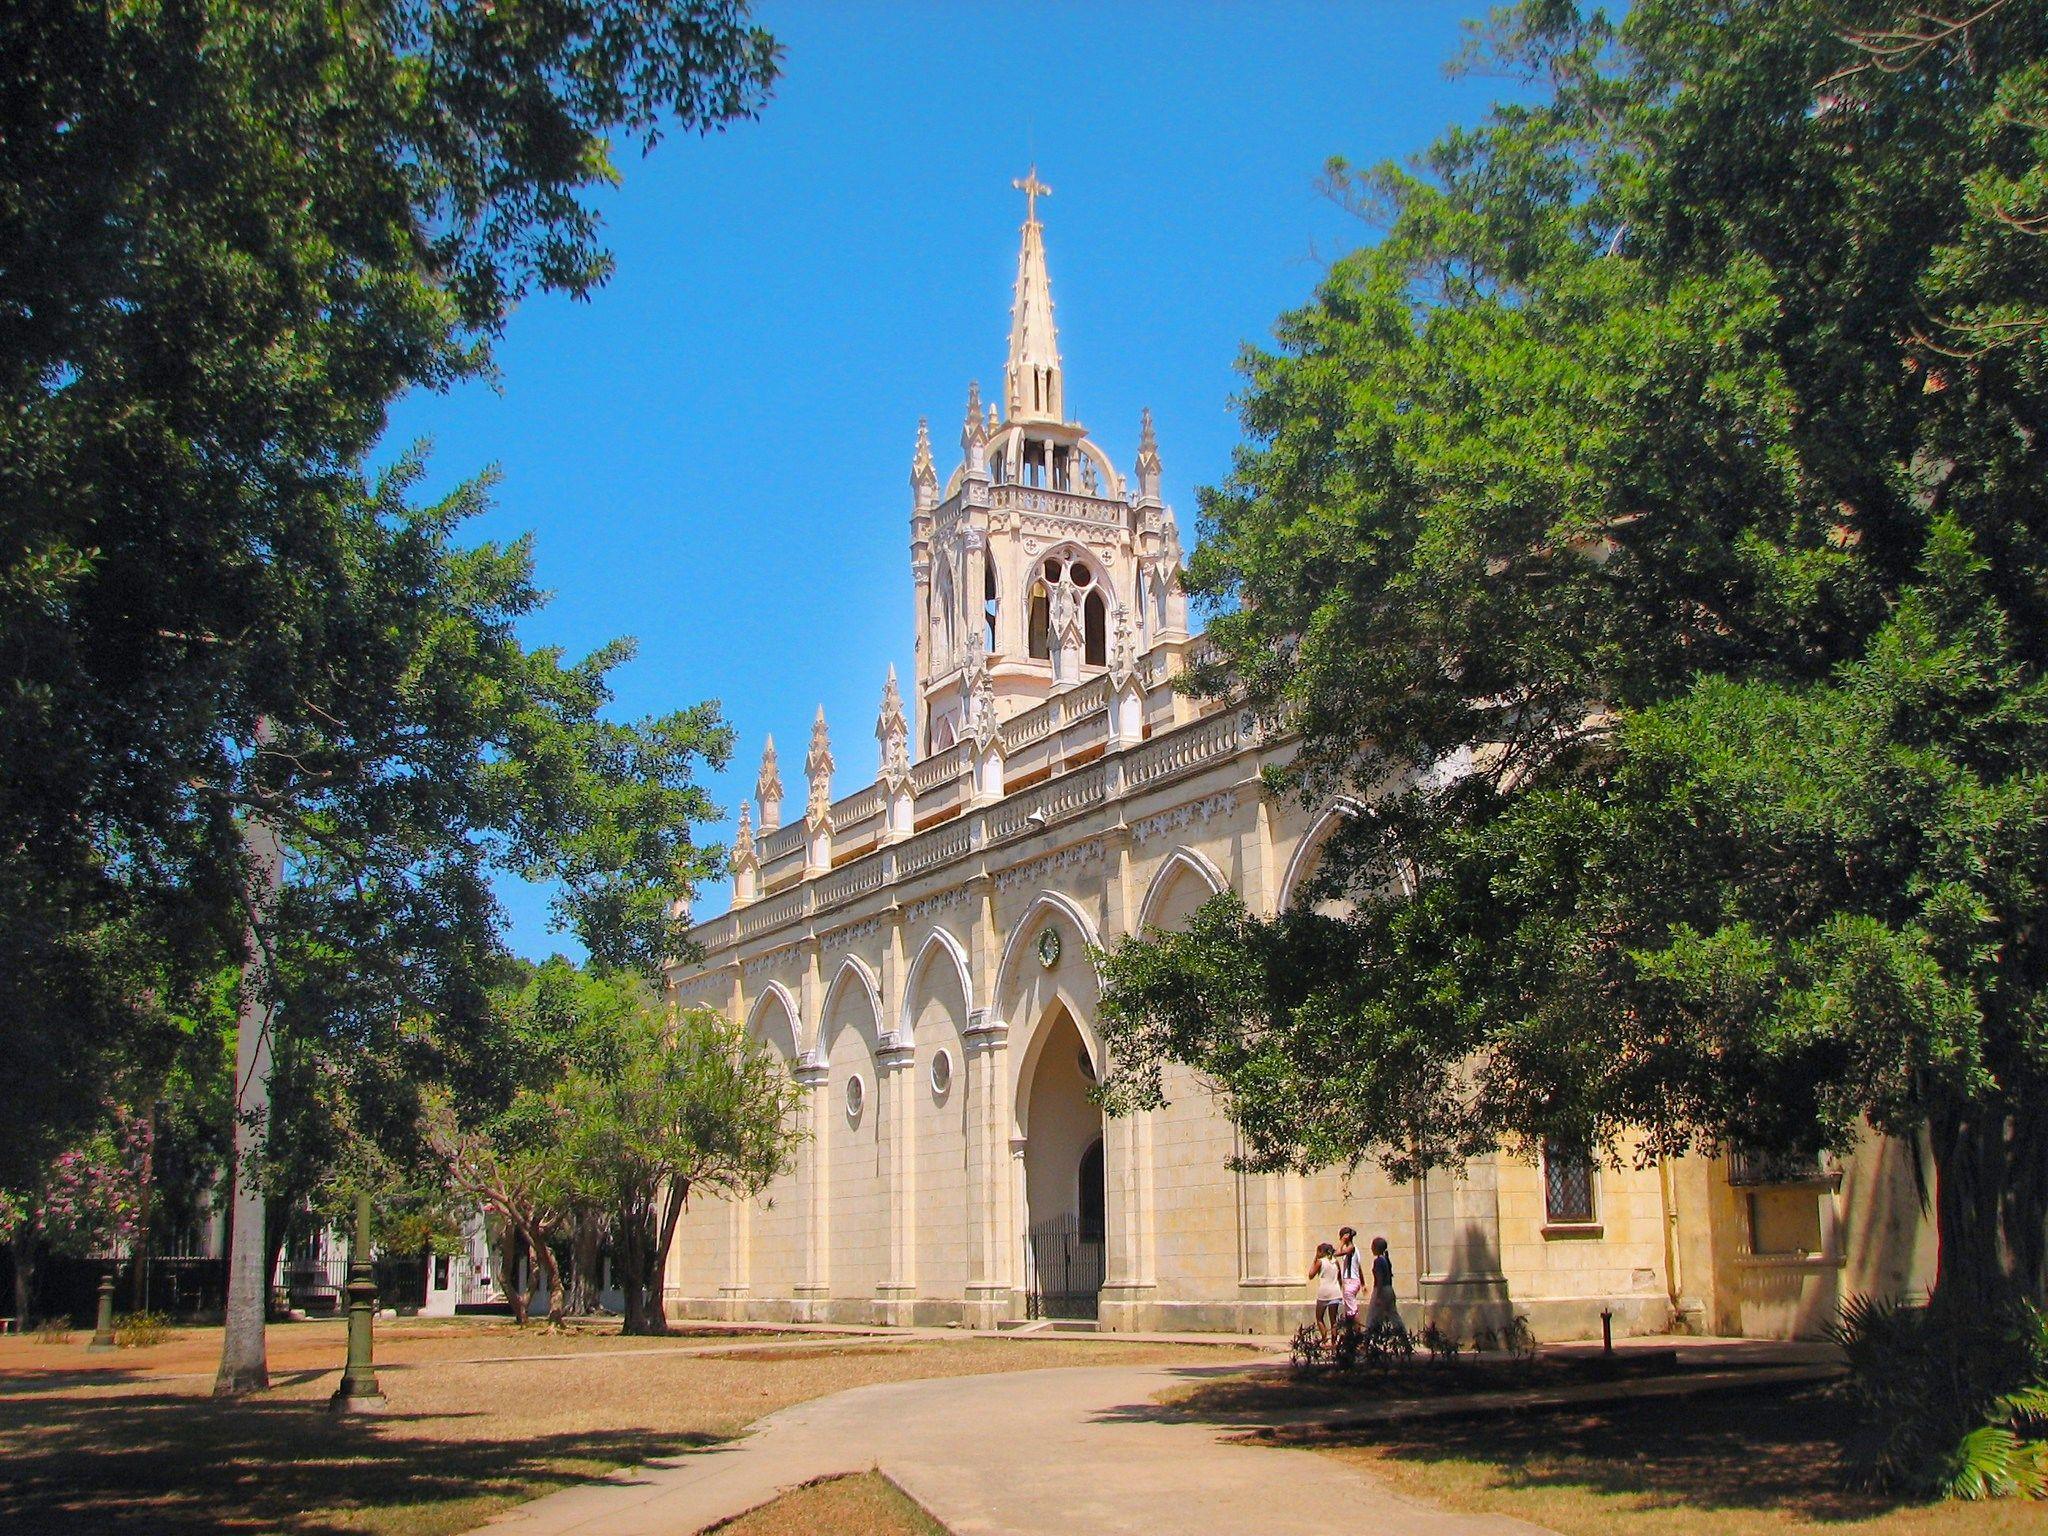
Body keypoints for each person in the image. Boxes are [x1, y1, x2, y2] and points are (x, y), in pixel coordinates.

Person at [1308, 1241, 1343, 1344]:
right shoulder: (1335, 1261)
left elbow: (1311, 1275)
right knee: (1333, 1320)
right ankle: (1333, 1343)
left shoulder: (1320, 1262)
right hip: (1335, 1292)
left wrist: (1315, 1259)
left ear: (1321, 1251)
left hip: (1324, 1292)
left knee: (1319, 1317)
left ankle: (1324, 1339)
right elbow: (1339, 1277)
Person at [1363, 1235, 1400, 1332]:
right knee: (1394, 1317)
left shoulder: (1378, 1261)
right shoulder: (1386, 1259)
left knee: (1372, 1317)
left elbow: (1379, 1279)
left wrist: (1378, 1296)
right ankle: (1404, 1339)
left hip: (1381, 1290)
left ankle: (1366, 1342)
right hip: (1389, 1289)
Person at [1335, 1227, 1364, 1325]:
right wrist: (1363, 1283)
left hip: (1350, 1281)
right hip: (1351, 1281)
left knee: (1352, 1309)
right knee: (1348, 1309)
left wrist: (1342, 1242)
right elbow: (1359, 1268)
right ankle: (1351, 1332)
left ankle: (1358, 1332)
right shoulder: (1354, 1249)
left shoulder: (1351, 1247)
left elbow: (1337, 1253)